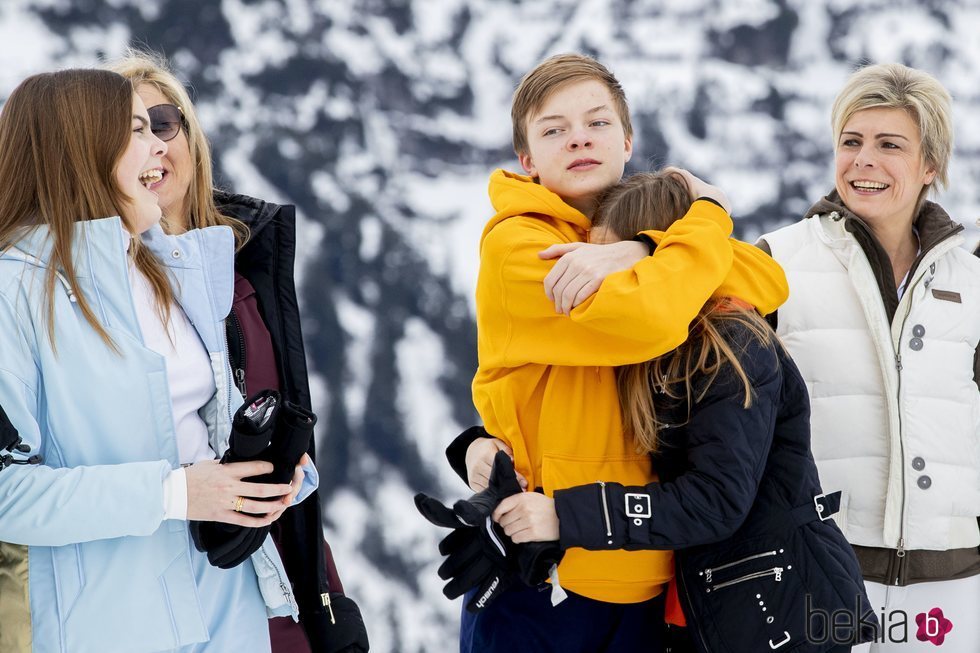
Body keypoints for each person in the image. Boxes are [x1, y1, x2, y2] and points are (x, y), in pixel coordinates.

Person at [439, 53, 789, 653]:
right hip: (545, 568)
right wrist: (706, 215)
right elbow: (646, 319)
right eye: (553, 130)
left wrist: (642, 249)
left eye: (597, 123)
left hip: (645, 566)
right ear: (527, 161)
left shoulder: (639, 228)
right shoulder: (521, 247)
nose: (578, 138)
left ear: (627, 141)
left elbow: (764, 278)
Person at [490, 170, 876, 653]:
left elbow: (716, 501)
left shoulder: (733, 347)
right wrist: (480, 446)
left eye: (614, 269)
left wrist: (566, 516)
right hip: (702, 610)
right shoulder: (653, 345)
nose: (603, 289)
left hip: (778, 612)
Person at [0, 69, 316, 652]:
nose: (159, 147)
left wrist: (265, 476)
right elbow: (6, 494)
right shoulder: (13, 289)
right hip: (110, 622)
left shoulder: (166, 268)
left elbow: (197, 431)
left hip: (227, 601)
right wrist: (174, 494)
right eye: (137, 130)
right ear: (82, 148)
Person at [107, 51, 368, 652]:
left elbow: (284, 449)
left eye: (165, 124)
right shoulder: (95, 289)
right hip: (158, 586)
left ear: (191, 138)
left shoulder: (246, 269)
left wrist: (326, 595)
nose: (153, 146)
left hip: (267, 573)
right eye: (130, 133)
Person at [757, 63, 980, 652]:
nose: (863, 160)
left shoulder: (974, 282)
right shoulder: (775, 263)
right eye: (850, 142)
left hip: (951, 587)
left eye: (889, 145)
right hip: (819, 573)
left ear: (930, 165)